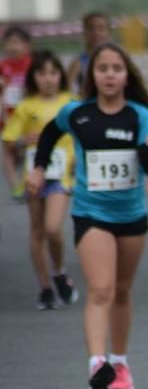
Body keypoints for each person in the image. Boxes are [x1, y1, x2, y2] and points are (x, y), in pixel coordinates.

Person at [27, 43, 148, 389]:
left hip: (132, 215)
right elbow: (48, 134)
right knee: (101, 289)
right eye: (102, 68)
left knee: (121, 290)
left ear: (126, 75)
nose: (109, 74)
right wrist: (40, 168)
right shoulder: (77, 113)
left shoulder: (139, 116)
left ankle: (120, 364)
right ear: (93, 75)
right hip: (91, 214)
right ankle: (96, 362)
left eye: (116, 68)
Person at [2, 51, 78, 310]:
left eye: (53, 73)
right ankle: (45, 288)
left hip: (61, 175)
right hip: (34, 175)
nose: (48, 79)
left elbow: (86, 135)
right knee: (37, 231)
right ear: (33, 77)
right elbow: (9, 141)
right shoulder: (26, 106)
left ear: (61, 76)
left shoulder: (71, 103)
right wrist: (25, 141)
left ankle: (58, 270)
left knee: (53, 228)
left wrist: (78, 158)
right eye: (42, 73)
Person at [0, 26, 33, 199]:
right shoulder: (2, 66)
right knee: (8, 151)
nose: (13, 47)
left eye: (17, 42)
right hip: (9, 115)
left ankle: (29, 180)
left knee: (28, 148)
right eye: (9, 43)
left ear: (27, 45)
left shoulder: (32, 64)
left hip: (28, 116)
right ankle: (16, 187)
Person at [66, 12, 113, 94]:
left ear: (109, 33)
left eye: (101, 28)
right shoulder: (78, 64)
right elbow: (66, 91)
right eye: (91, 28)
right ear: (84, 33)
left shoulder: (117, 60)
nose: (96, 33)